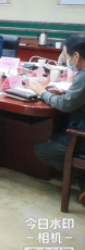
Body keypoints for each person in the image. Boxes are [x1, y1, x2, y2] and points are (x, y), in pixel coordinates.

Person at [28, 35, 85, 205]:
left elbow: (65, 105)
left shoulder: (83, 76)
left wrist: (42, 92)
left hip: (81, 135)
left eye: (67, 56)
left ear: (76, 56)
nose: (66, 60)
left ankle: (81, 175)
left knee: (43, 149)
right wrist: (65, 93)